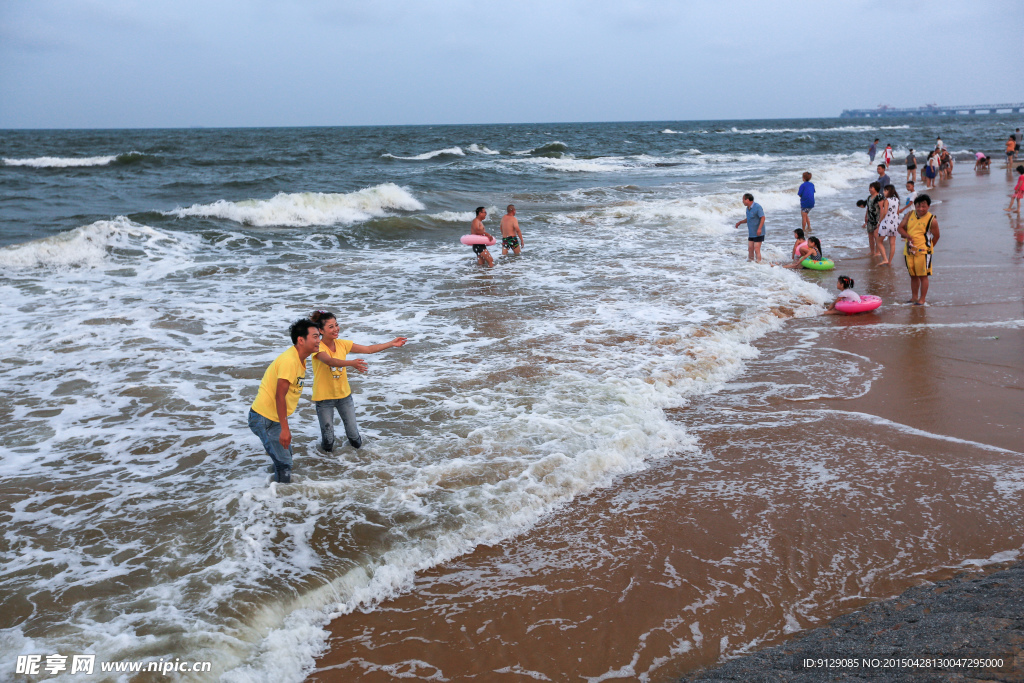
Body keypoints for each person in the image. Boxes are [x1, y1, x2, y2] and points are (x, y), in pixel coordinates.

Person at [309, 310, 407, 453]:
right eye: (331, 327)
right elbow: (330, 361)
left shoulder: (342, 344)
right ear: (320, 330)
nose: (336, 329)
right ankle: (326, 465)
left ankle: (359, 462)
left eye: (336, 325)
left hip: (344, 396)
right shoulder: (317, 347)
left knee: (354, 436)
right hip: (324, 399)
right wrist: (351, 363)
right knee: (328, 440)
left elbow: (368, 349)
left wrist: (391, 343)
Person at [248, 319, 321, 484]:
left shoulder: (299, 358)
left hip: (273, 418)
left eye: (319, 336)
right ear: (301, 340)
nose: (319, 341)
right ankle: (280, 500)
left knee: (285, 456)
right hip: (264, 418)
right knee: (284, 462)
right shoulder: (290, 361)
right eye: (315, 337)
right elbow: (279, 396)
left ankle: (276, 484)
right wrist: (285, 429)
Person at [896, 194, 940, 305]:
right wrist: (907, 236)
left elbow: (937, 236)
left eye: (924, 206)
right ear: (915, 206)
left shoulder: (932, 219)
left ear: (928, 206)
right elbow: (900, 228)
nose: (920, 208)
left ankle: (922, 299)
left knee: (923, 276)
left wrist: (928, 248)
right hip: (909, 250)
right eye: (918, 206)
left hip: (923, 252)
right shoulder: (910, 214)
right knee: (913, 275)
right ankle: (914, 297)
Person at [734, 193, 765, 263]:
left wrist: (759, 229)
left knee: (756, 249)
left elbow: (763, 218)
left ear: (747, 200)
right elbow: (749, 219)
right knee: (750, 249)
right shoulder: (747, 209)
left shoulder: (757, 207)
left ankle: (759, 263)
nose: (742, 201)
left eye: (743, 199)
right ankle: (750, 264)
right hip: (751, 232)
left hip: (758, 232)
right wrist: (740, 222)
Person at [876, 184, 901, 266]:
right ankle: (889, 261)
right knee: (892, 243)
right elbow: (897, 212)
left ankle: (885, 259)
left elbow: (885, 212)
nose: (883, 192)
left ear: (888, 191)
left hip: (886, 223)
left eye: (885, 190)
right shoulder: (897, 200)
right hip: (894, 223)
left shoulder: (887, 200)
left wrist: (879, 222)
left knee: (879, 241)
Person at [864, 181, 883, 259]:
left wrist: (880, 220)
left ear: (876, 188)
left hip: (877, 219)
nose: (869, 189)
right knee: (870, 235)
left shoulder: (879, 197)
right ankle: (872, 251)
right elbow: (868, 207)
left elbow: (882, 209)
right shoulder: (869, 197)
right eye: (869, 188)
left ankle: (878, 252)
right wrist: (866, 216)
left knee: (876, 235)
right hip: (870, 219)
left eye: (871, 188)